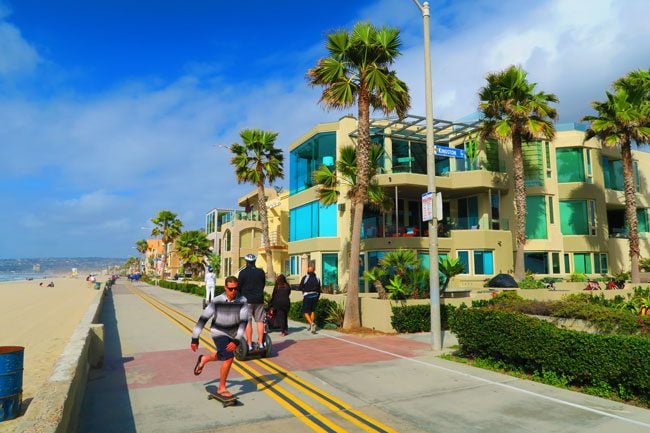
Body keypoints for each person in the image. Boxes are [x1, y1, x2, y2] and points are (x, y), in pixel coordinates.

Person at [190, 275, 248, 399]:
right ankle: (221, 388)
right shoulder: (217, 301)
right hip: (218, 331)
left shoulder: (242, 301)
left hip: (233, 333)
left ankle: (204, 359)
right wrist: (195, 338)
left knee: (223, 354)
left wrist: (236, 341)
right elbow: (203, 318)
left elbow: (244, 323)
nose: (234, 292)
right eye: (231, 289)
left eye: (236, 289)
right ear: (225, 288)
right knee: (229, 357)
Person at [238, 254, 267, 351]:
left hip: (246, 300)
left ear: (246, 262)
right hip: (259, 299)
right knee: (260, 321)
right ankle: (261, 343)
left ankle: (249, 344)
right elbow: (263, 285)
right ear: (255, 261)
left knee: (248, 322)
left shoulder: (242, 273)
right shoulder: (261, 272)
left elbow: (239, 287)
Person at [299, 263, 321, 334]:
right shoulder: (317, 278)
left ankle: (311, 323)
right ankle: (312, 325)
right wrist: (317, 297)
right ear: (314, 270)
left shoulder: (305, 277)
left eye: (308, 268)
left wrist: (303, 291)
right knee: (312, 311)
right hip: (315, 296)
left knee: (305, 311)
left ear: (309, 269)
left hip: (307, 296)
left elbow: (300, 287)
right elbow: (319, 289)